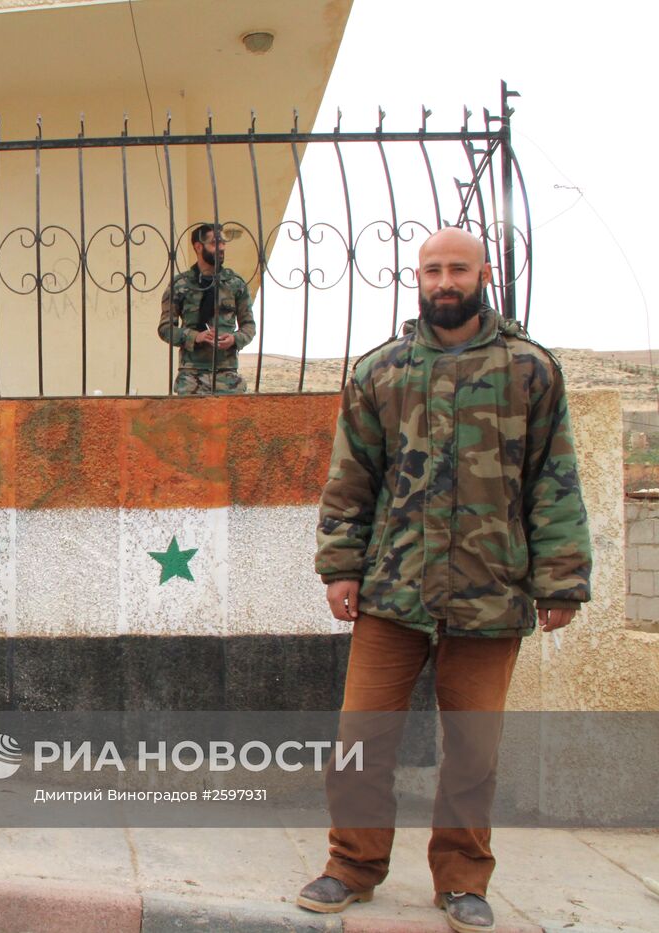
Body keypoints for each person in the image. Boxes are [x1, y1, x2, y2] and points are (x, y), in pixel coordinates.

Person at [296, 226, 591, 932]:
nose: (444, 281)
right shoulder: (381, 372)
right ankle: (352, 865)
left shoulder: (529, 370)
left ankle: (461, 879)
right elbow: (350, 481)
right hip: (393, 594)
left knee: (473, 748)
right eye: (432, 270)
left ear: (483, 272)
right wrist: (340, 566)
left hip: (491, 594)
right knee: (362, 736)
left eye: (458, 268)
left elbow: (554, 479)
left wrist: (560, 581)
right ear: (417, 278)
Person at [157, 223, 256, 394]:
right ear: (198, 246)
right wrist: (195, 336)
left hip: (227, 376)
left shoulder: (235, 284)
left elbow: (249, 326)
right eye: (214, 243)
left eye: (223, 243)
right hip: (191, 377)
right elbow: (165, 329)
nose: (221, 248)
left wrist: (234, 339)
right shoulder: (180, 285)